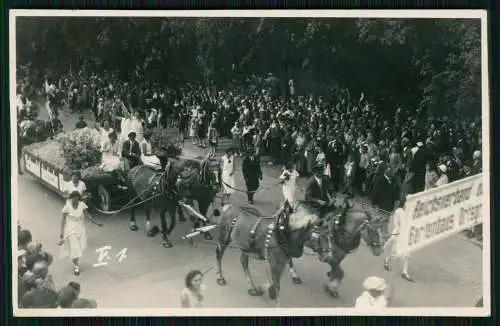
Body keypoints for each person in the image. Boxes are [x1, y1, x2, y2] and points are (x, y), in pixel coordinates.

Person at [57, 191, 103, 275]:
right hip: (70, 229)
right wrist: (61, 233)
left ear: (78, 198)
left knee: (78, 247)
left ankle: (75, 261)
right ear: (70, 198)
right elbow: (63, 221)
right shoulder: (67, 207)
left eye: (76, 198)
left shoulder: (82, 205)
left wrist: (97, 223)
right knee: (75, 248)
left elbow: (88, 215)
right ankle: (76, 266)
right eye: (72, 198)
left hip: (80, 228)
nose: (74, 200)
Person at [383, 198, 414, 282]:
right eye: (407, 203)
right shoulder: (399, 211)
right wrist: (399, 231)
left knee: (407, 253)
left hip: (406, 235)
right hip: (398, 234)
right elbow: (396, 223)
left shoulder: (411, 212)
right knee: (394, 251)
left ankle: (404, 272)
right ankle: (387, 260)